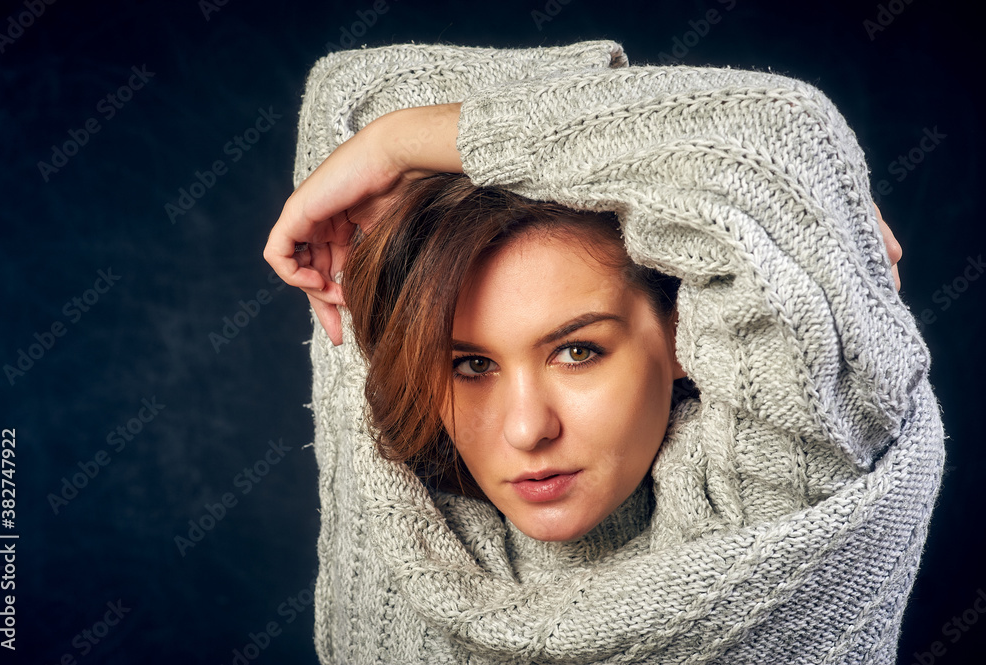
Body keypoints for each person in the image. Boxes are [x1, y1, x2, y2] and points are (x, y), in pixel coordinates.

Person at [265, 40, 942, 664]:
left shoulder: (763, 497)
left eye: (578, 351)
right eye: (471, 364)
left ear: (683, 334)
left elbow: (781, 142)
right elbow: (346, 101)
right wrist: (395, 155)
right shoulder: (409, 515)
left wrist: (399, 144)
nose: (527, 428)